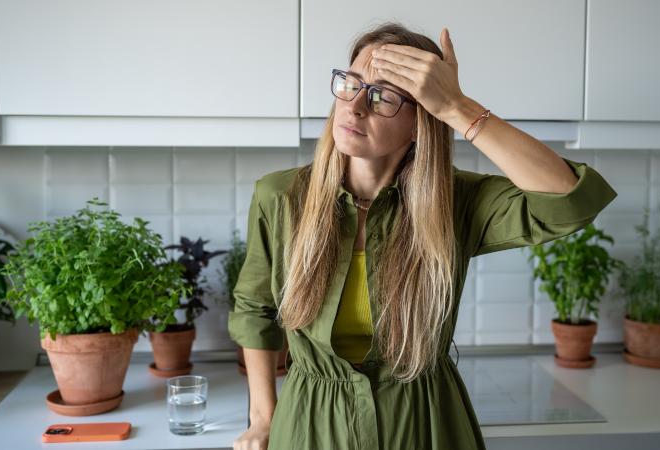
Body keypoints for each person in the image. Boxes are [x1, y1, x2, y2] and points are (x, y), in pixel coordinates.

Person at [229, 22, 617, 450]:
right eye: (351, 84)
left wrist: (457, 106)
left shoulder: (456, 203)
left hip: (426, 424)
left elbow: (570, 201)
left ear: (421, 123)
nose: (355, 106)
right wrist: (262, 418)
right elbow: (255, 310)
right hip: (309, 426)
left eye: (383, 97)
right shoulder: (280, 198)